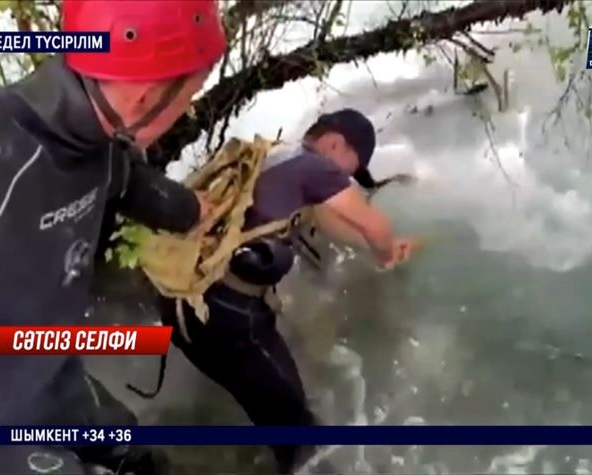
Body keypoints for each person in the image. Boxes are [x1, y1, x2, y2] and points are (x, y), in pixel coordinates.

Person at [0, 1, 226, 473]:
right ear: (146, 97)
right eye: (189, 97)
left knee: (147, 461)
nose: (188, 110)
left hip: (51, 379)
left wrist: (189, 210)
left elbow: (124, 179)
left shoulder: (97, 140)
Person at [157, 108, 417, 474]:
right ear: (333, 142)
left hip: (184, 304)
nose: (346, 177)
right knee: (302, 434)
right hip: (228, 316)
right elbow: (375, 225)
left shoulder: (277, 157)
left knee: (276, 415)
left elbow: (330, 222)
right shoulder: (318, 168)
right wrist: (386, 250)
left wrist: (376, 246)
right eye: (350, 166)